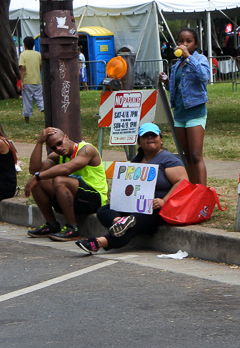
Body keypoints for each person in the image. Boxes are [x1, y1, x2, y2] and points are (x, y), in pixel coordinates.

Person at [75, 123, 188, 255]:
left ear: (160, 139)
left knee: (133, 224)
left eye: (154, 135)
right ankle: (120, 223)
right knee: (103, 210)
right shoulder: (136, 160)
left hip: (157, 209)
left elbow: (182, 182)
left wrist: (164, 200)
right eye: (146, 136)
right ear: (139, 141)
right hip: (134, 205)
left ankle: (97, 242)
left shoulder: (169, 159)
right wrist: (117, 193)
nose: (150, 138)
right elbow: (128, 185)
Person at [25, 127, 108, 241]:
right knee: (37, 181)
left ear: (67, 137)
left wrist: (38, 176)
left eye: (60, 143)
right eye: (54, 147)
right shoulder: (58, 157)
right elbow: (34, 170)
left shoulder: (86, 149)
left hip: (95, 200)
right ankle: (51, 225)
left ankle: (72, 228)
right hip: (73, 200)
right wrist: (39, 142)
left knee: (59, 180)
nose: (58, 148)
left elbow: (67, 169)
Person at [158, 27, 210, 186]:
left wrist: (189, 58)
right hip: (180, 114)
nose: (184, 44)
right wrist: (167, 81)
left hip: (195, 112)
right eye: (181, 41)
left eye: (189, 41)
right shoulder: (176, 65)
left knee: (196, 155)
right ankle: (193, 190)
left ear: (195, 44)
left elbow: (204, 77)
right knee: (187, 156)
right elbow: (178, 87)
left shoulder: (200, 59)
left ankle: (201, 193)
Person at [19, 36, 44, 125]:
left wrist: (21, 81)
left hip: (27, 80)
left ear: (25, 44)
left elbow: (22, 68)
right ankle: (47, 117)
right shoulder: (38, 54)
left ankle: (27, 121)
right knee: (40, 99)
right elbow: (40, 66)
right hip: (37, 80)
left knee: (27, 101)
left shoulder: (23, 54)